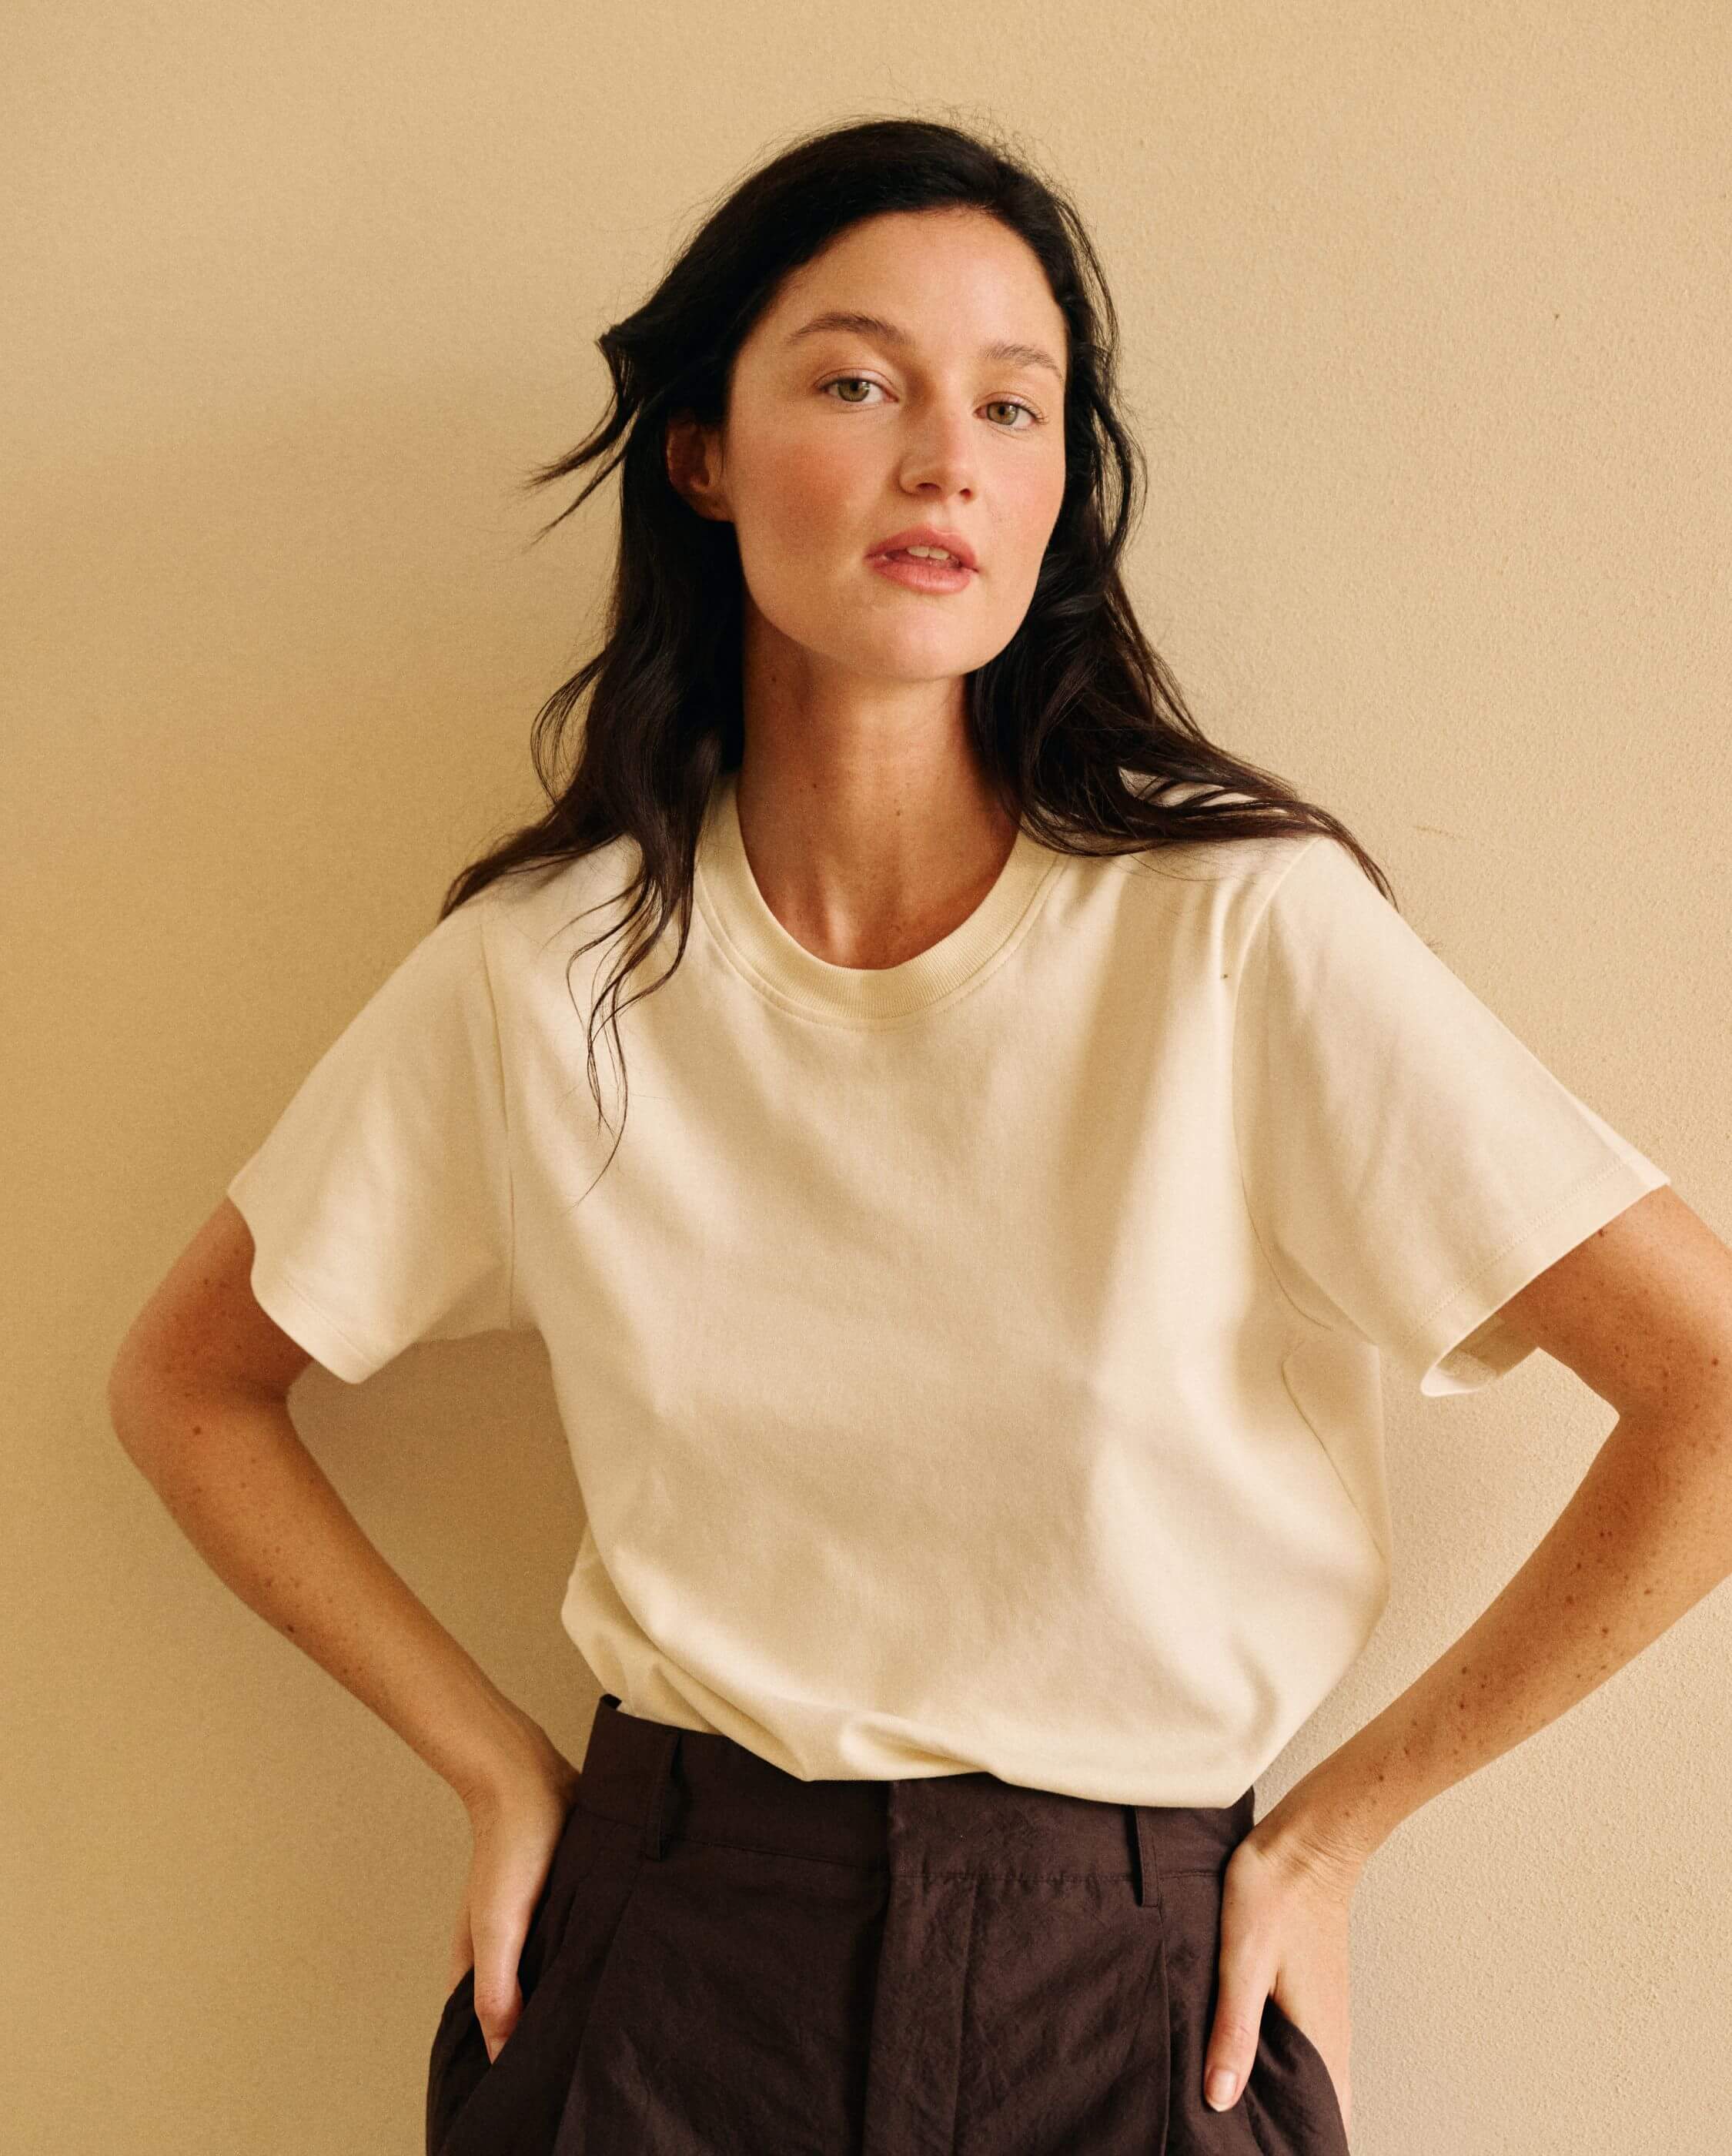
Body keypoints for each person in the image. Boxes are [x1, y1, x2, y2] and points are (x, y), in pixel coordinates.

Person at [108, 116, 1732, 2156]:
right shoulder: (546, 977)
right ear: (702, 453)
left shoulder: (1235, 937)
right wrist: (495, 1769)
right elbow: (188, 1384)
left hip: (1135, 2002)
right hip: (666, 1976)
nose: (946, 459)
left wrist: (1334, 1837)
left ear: (1057, 490)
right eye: (860, 383)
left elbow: (1707, 1381)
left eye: (1012, 405)